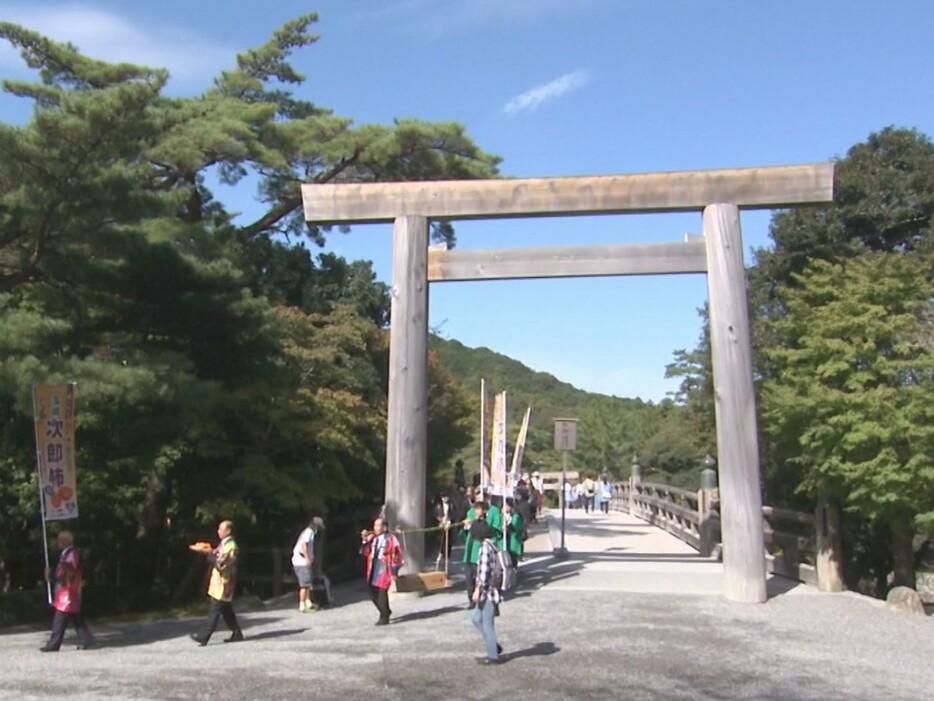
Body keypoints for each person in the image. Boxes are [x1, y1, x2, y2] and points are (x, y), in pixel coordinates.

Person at [190, 519, 243, 646]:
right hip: (219, 582)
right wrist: (209, 550)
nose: (218, 531)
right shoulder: (224, 544)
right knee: (226, 609)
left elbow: (221, 564)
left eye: (221, 529)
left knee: (215, 609)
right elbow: (218, 555)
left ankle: (204, 636)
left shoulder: (231, 546)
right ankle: (237, 633)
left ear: (228, 531)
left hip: (224, 583)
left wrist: (208, 555)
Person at [40, 531, 95, 652]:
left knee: (60, 616)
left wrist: (54, 578)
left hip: (68, 590)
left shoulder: (71, 554)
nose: (57, 542)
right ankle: (87, 639)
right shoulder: (66, 554)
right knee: (75, 616)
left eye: (60, 539)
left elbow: (69, 571)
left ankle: (54, 643)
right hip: (66, 590)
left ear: (66, 541)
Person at [468, 520, 504, 665]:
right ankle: (493, 646)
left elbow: (483, 572)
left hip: (487, 592)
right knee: (476, 619)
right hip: (490, 591)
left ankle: (493, 656)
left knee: (488, 624)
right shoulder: (493, 544)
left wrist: (477, 589)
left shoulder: (484, 548)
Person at [360, 517, 403, 626]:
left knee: (382, 591)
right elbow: (365, 552)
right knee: (371, 592)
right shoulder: (372, 538)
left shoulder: (391, 539)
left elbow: (397, 555)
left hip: (384, 566)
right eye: (375, 525)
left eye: (378, 525)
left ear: (384, 527)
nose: (376, 528)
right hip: (373, 565)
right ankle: (385, 611)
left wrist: (394, 571)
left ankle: (384, 616)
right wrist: (365, 540)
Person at [462, 496, 503, 609]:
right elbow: (465, 531)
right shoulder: (471, 511)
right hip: (470, 550)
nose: (476, 511)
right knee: (469, 577)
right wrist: (466, 526)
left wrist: (476, 523)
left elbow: (495, 530)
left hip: (482, 548)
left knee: (483, 575)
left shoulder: (493, 512)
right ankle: (471, 599)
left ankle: (486, 599)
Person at [291, 518, 317, 613]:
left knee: (308, 583)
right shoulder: (309, 532)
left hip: (300, 561)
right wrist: (307, 558)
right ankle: (302, 605)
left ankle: (308, 602)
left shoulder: (307, 532)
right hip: (301, 561)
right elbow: (304, 545)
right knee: (305, 584)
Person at [503, 498, 525, 568]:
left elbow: (515, 529)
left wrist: (507, 524)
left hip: (513, 543)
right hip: (508, 543)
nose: (504, 508)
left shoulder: (516, 516)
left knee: (512, 562)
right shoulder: (506, 515)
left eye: (505, 505)